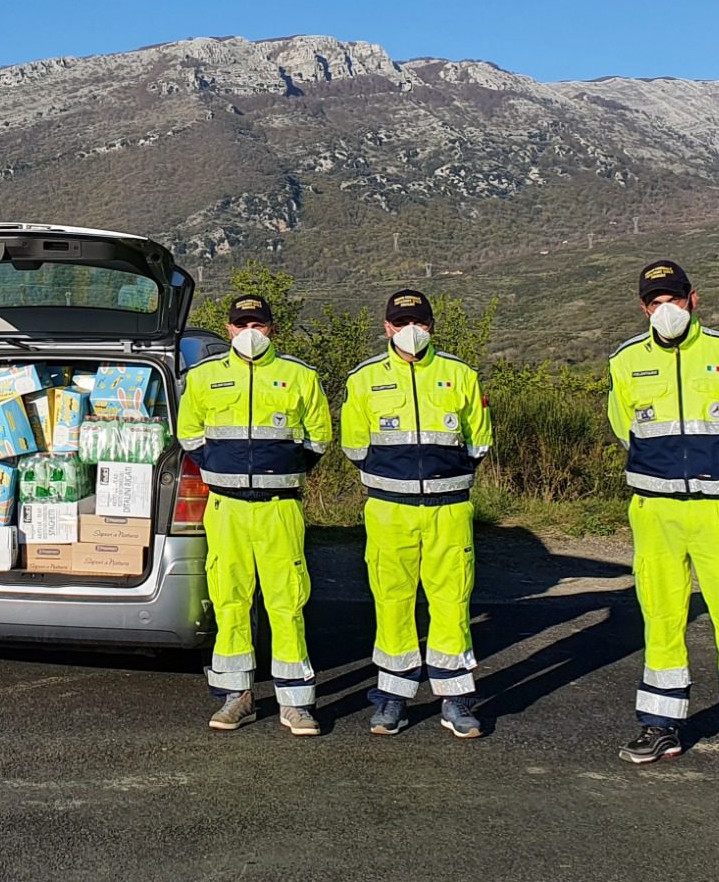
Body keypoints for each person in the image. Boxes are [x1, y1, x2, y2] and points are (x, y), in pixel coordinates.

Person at [608, 261, 719, 781]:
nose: (666, 309)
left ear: (693, 300)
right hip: (654, 512)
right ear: (644, 308)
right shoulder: (624, 362)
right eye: (655, 302)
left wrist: (715, 474)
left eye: (674, 299)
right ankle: (660, 725)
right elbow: (626, 430)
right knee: (661, 618)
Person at [177, 294, 332, 734]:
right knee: (230, 600)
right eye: (241, 324)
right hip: (225, 507)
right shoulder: (204, 377)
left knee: (287, 602)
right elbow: (188, 433)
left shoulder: (298, 376)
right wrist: (220, 466)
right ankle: (236, 697)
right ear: (228, 329)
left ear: (271, 329)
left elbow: (318, 439)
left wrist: (281, 471)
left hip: (279, 509)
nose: (249, 333)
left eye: (257, 325)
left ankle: (296, 703)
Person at [340, 289, 492, 739]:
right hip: (390, 511)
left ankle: (456, 701)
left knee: (452, 604)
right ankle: (392, 699)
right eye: (403, 321)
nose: (412, 330)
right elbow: (354, 446)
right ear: (387, 326)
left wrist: (449, 478)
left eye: (420, 321)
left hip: (449, 510)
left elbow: (478, 442)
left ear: (431, 325)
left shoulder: (460, 375)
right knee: (393, 605)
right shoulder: (364, 379)